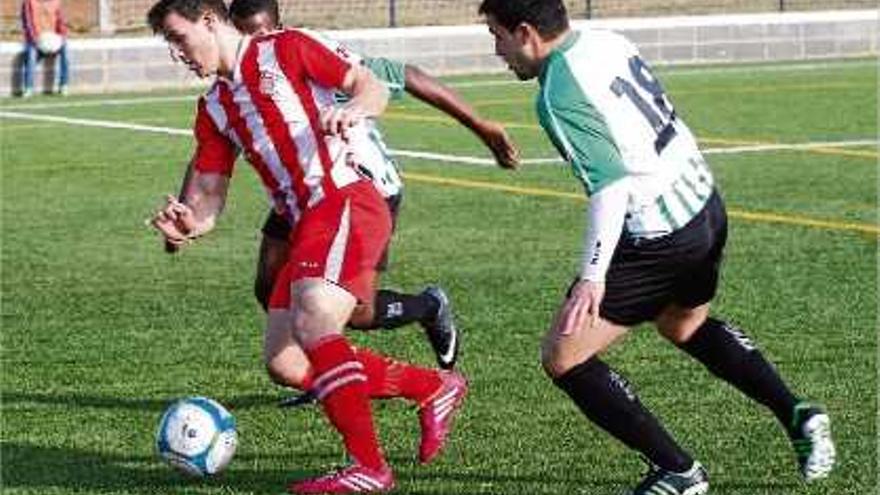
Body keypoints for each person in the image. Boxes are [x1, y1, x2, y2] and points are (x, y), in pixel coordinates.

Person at [478, 1, 836, 494]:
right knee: (683, 323)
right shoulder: (607, 40)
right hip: (704, 202)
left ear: (525, 32)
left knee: (563, 356)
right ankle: (798, 414)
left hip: (660, 234)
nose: (496, 51)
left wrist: (592, 274)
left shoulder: (558, 94)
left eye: (497, 36)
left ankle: (678, 472)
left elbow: (609, 185)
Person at [146, 0, 467, 492]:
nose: (178, 54)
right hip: (304, 223)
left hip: (346, 198)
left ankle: (369, 468)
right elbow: (208, 197)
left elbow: (369, 84)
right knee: (287, 362)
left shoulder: (287, 48)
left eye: (179, 38)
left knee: (315, 315)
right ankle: (433, 386)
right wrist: (189, 224)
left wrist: (355, 108)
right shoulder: (214, 108)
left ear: (209, 21)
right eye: (169, 44)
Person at [222, 0, 519, 396]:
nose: (256, 43)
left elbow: (404, 76)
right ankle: (324, 372)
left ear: (280, 25)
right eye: (245, 35)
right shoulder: (235, 75)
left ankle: (428, 307)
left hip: (365, 189)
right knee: (269, 282)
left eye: (263, 33)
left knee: (359, 313)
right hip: (301, 194)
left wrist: (482, 127)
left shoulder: (307, 54)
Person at [20, 0, 69, 97]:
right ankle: (28, 88)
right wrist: (35, 39)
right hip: (35, 39)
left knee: (66, 52)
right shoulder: (28, 2)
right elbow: (28, 23)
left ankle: (64, 85)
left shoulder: (56, 2)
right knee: (31, 57)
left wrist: (62, 36)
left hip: (52, 38)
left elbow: (60, 20)